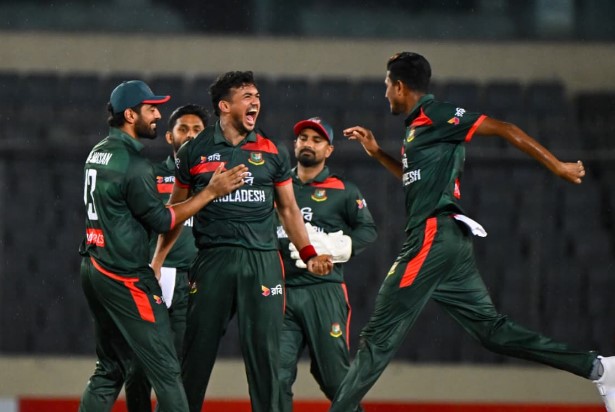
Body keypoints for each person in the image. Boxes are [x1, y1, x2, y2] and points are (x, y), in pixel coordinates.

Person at [328, 52, 615, 412]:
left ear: (399, 86)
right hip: (449, 242)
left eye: (387, 85)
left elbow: (505, 128)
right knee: (491, 332)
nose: (385, 93)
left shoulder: (436, 114)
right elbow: (414, 181)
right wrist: (377, 154)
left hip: (432, 235)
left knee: (377, 336)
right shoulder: (416, 128)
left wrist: (557, 166)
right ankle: (599, 368)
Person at [151, 71, 333, 412]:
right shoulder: (194, 151)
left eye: (258, 96)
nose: (256, 102)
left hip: (262, 262)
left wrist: (308, 253)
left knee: (266, 359)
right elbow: (175, 212)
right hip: (212, 262)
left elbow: (288, 209)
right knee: (195, 356)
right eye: (247, 96)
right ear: (225, 106)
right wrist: (157, 261)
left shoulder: (272, 150)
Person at [78, 80, 247, 412]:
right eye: (151, 109)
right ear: (130, 114)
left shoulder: (98, 152)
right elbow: (164, 221)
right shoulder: (134, 165)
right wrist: (211, 192)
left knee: (110, 368)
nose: (157, 115)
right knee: (168, 370)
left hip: (94, 265)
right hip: (125, 277)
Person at [276, 117, 377, 412]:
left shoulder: (344, 190)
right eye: (303, 138)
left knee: (333, 378)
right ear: (295, 144)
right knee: (275, 377)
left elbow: (368, 231)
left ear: (329, 150)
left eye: (317, 140)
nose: (308, 143)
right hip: (282, 292)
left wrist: (339, 248)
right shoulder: (277, 187)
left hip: (323, 291)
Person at [124, 104, 209, 412]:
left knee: (180, 370)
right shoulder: (149, 175)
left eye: (197, 130)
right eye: (183, 129)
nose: (190, 135)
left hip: (192, 282)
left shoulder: (218, 181)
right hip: (152, 278)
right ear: (170, 137)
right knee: (138, 368)